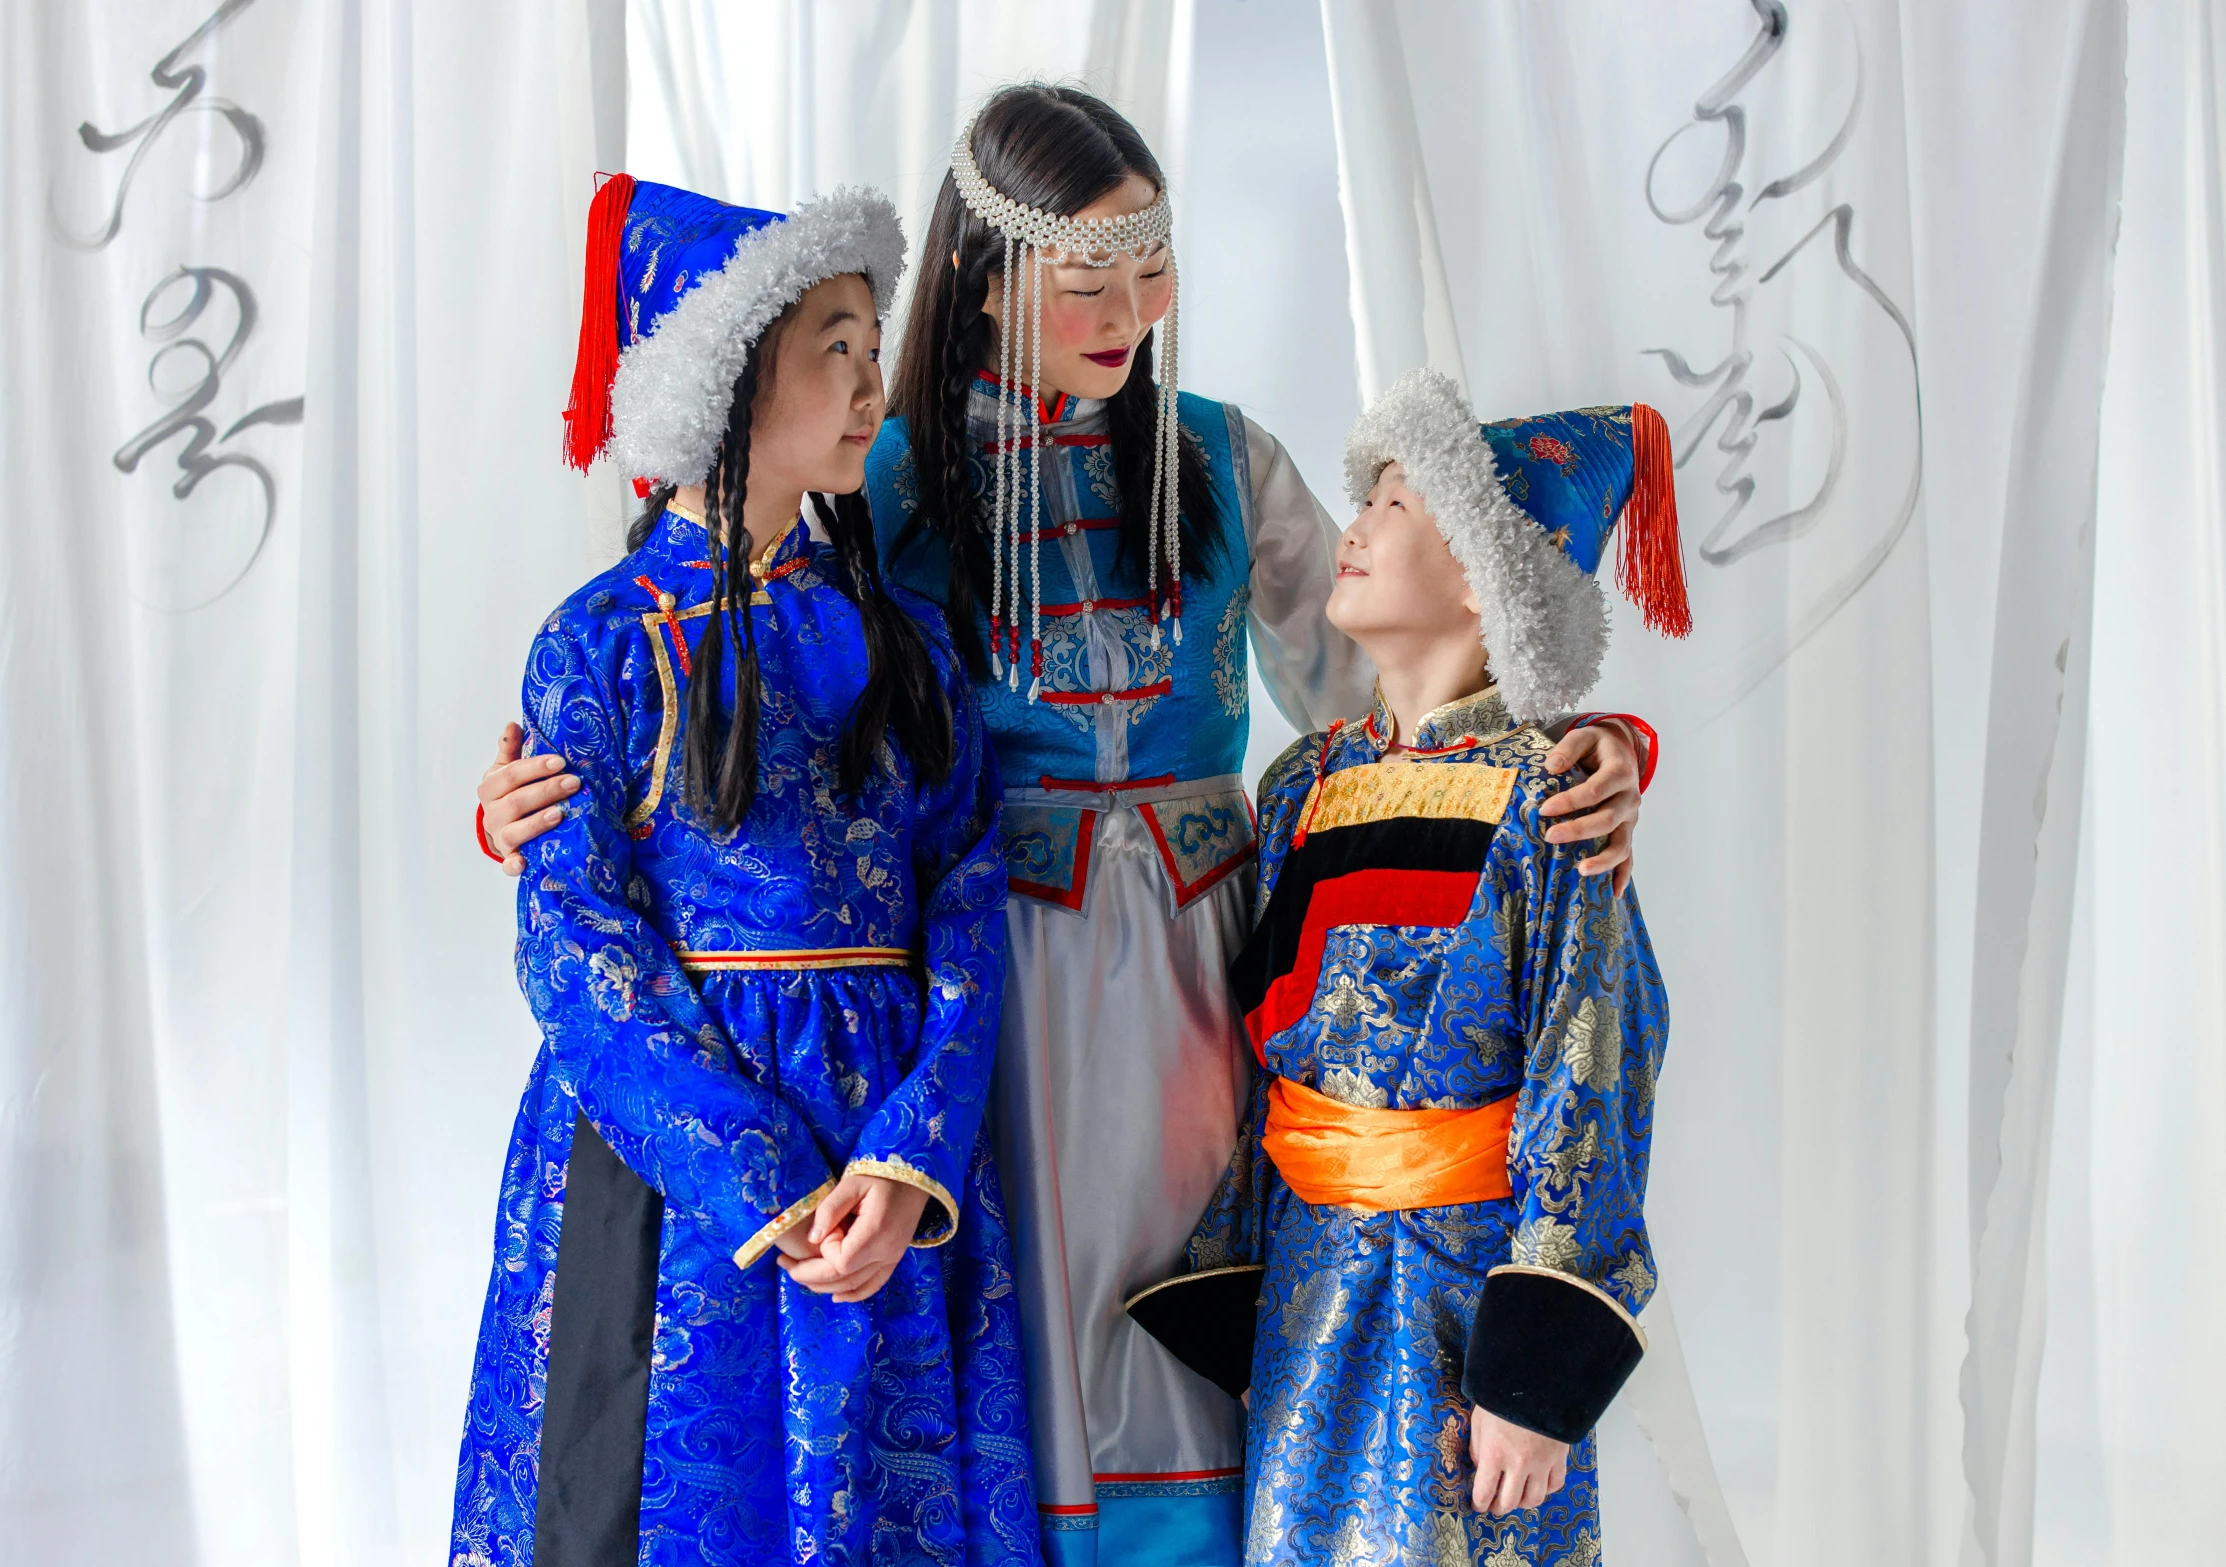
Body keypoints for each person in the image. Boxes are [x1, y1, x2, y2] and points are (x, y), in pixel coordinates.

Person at [477, 86, 1651, 1566]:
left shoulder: (1222, 459)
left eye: (1150, 268)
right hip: (991, 979)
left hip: (1205, 969)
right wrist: (536, 798)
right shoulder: (883, 474)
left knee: (1199, 1318)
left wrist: (1585, 740)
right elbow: (740, 706)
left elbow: (1410, 696)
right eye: (1086, 279)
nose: (1130, 310)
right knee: (1017, 1341)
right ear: (983, 276)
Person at [449, 174, 1038, 1567]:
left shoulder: (903, 638)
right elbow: (577, 951)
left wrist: (906, 1152)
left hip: (882, 1136)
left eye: (869, 342)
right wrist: (762, 1171)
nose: (867, 383)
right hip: (675, 1160)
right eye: (833, 344)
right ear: (725, 374)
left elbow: (963, 891)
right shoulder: (598, 640)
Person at [1179, 370, 1680, 1566]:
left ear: (1479, 571)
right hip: (1310, 1282)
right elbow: (1261, 1060)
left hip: (1463, 1294)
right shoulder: (1300, 783)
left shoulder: (1547, 792)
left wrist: (1537, 1372)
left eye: (1394, 503)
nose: (1351, 527)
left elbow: (1592, 1062)